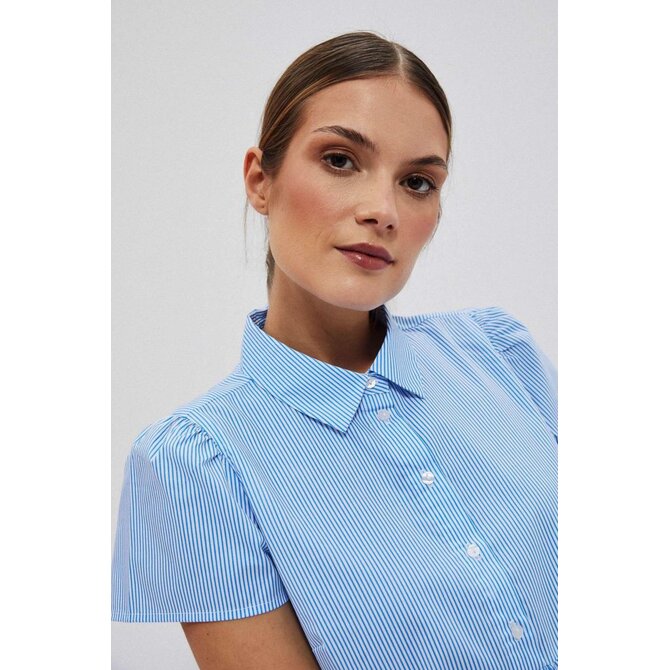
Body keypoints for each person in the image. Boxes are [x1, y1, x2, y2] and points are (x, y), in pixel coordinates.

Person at [112, 31, 557, 670]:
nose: (383, 211)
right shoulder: (192, 467)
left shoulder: (499, 352)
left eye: (418, 182)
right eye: (341, 160)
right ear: (260, 180)